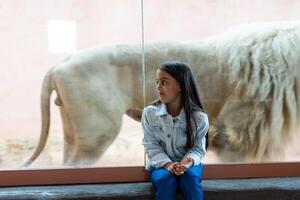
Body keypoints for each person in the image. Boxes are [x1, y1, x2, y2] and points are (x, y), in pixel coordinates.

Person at [141, 60, 209, 200]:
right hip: (159, 164)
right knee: (164, 180)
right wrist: (167, 164)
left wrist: (186, 163)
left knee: (190, 180)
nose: (158, 87)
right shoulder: (149, 113)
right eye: (157, 82)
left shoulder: (199, 118)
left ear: (180, 85)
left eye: (164, 82)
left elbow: (198, 149)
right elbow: (151, 145)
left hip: (189, 165)